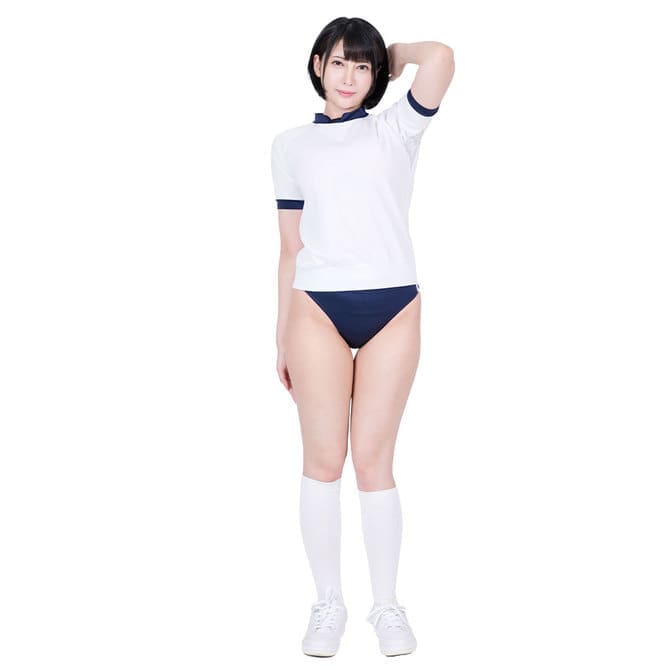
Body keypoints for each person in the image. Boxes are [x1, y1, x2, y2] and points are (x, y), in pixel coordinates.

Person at [270, 16, 455, 658]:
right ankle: (328, 602)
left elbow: (441, 57)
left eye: (362, 65)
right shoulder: (290, 146)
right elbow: (290, 248)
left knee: (374, 463)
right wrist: (280, 336)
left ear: (375, 75)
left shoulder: (396, 127)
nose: (349, 76)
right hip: (315, 310)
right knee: (323, 462)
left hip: (393, 309)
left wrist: (391, 54)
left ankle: (386, 605)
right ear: (317, 64)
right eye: (339, 62)